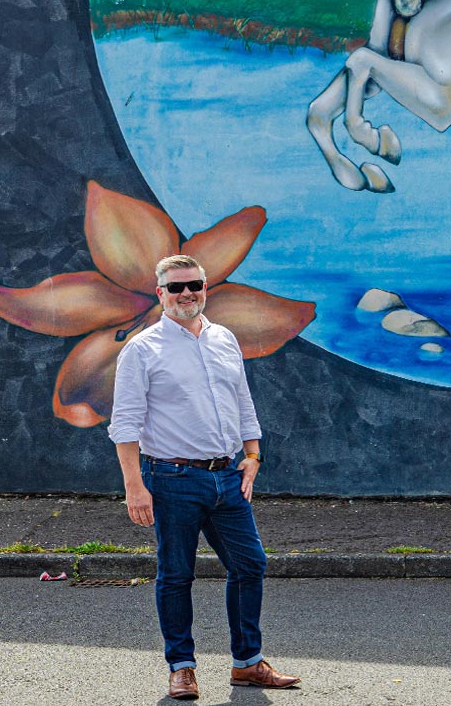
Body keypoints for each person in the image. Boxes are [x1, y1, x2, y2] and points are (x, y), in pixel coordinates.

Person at [109, 255, 300, 697]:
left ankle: (248, 663)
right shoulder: (142, 348)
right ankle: (181, 666)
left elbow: (242, 399)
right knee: (176, 574)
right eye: (175, 287)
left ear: (205, 287)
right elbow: (125, 424)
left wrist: (253, 454)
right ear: (160, 294)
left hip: (226, 477)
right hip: (171, 478)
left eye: (193, 284)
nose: (186, 294)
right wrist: (134, 487)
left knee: (250, 564)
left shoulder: (224, 338)